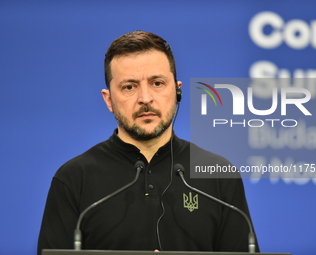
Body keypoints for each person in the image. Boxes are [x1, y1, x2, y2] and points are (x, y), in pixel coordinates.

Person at [38, 31, 258, 254]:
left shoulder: (218, 174)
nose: (145, 98)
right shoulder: (74, 178)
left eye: (157, 83)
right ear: (108, 100)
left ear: (177, 90)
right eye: (129, 87)